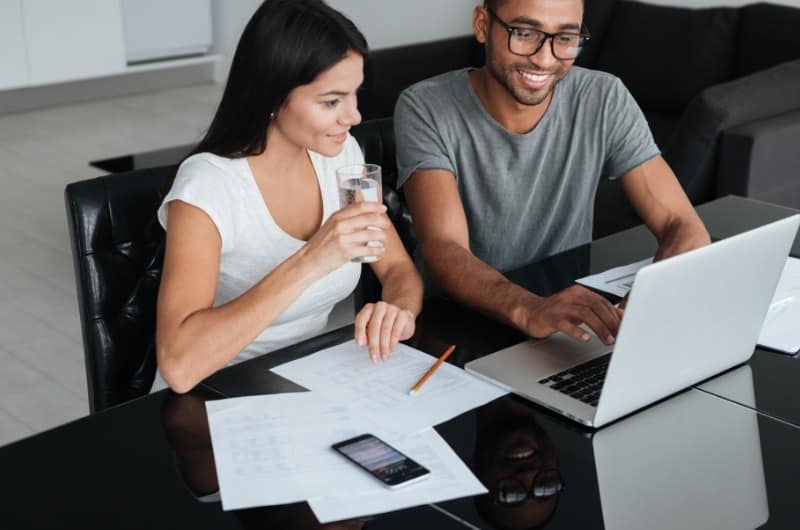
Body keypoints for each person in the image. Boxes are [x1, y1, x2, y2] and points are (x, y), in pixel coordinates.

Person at [394, 0, 710, 348]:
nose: (545, 59)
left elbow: (682, 224)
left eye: (565, 38)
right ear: (483, 25)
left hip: (565, 322)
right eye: (525, 34)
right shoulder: (425, 106)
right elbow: (444, 248)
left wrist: (652, 297)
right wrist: (528, 309)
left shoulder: (604, 97)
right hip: (457, 328)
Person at [156, 0, 423, 394]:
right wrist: (313, 258)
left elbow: (399, 270)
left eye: (354, 95)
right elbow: (179, 367)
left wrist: (397, 310)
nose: (353, 117)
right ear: (273, 95)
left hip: (299, 384)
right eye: (331, 102)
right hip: (209, 398)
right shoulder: (208, 187)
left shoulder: (341, 155)